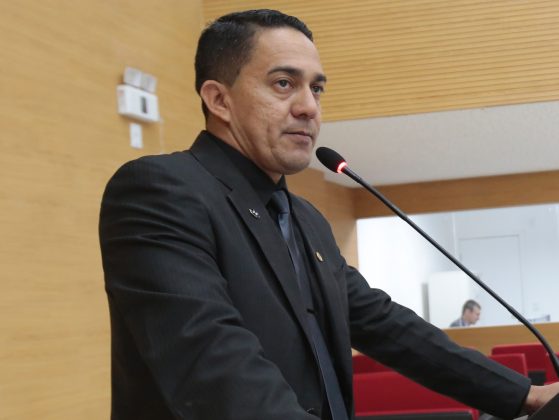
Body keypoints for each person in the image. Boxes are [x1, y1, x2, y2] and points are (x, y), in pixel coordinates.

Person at [99, 9, 559, 420]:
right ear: (219, 100)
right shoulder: (160, 191)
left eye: (316, 88)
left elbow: (385, 326)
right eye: (284, 83)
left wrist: (525, 395)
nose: (309, 107)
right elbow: (214, 367)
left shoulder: (305, 219)